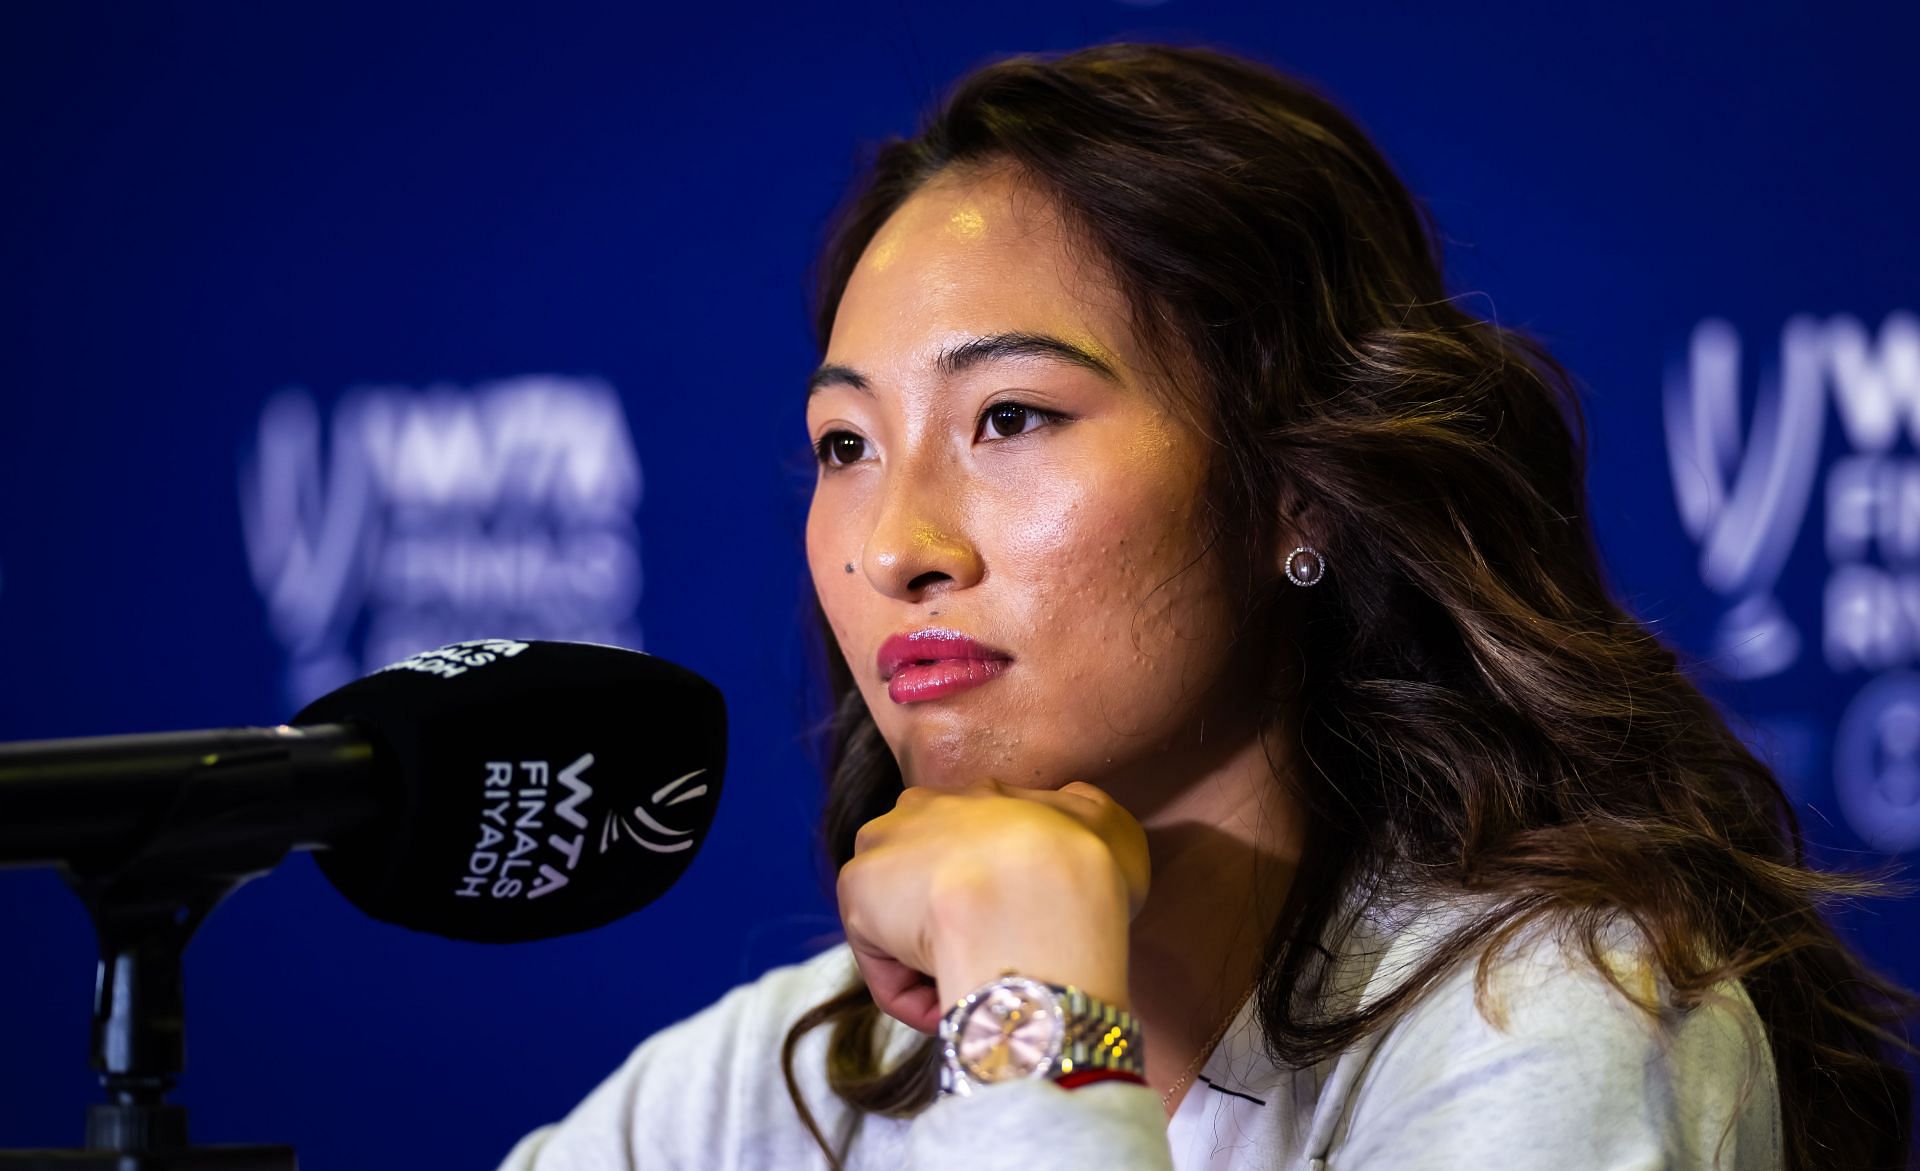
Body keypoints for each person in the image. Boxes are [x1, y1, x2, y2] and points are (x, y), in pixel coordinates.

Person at [495, 41, 1915, 1171]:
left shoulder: (1554, 1019)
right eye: (845, 446)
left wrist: (1032, 1006)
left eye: (1009, 417)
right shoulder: (790, 1083)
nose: (896, 548)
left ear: (1298, 492)